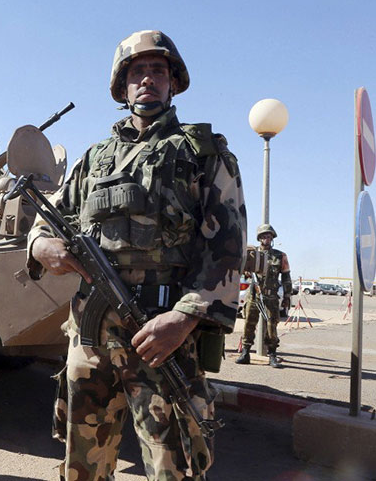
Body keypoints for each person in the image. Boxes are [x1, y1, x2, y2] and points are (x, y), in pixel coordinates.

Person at [27, 30, 246, 480]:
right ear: (122, 86)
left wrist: (183, 318)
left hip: (162, 334)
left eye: (157, 71)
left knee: (173, 467)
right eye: (137, 71)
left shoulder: (203, 153)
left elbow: (227, 247)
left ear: (173, 82)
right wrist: (41, 246)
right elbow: (47, 220)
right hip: (91, 336)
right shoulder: (95, 159)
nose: (147, 79)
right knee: (82, 466)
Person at [236, 224, 291, 368]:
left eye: (269, 236)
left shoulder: (280, 256)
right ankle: (245, 352)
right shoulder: (252, 253)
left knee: (272, 326)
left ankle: (272, 355)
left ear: (272, 238)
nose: (266, 239)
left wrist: (287, 296)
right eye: (264, 236)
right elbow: (242, 270)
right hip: (254, 295)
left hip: (271, 297)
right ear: (259, 238)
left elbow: (286, 277)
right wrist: (246, 269)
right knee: (249, 324)